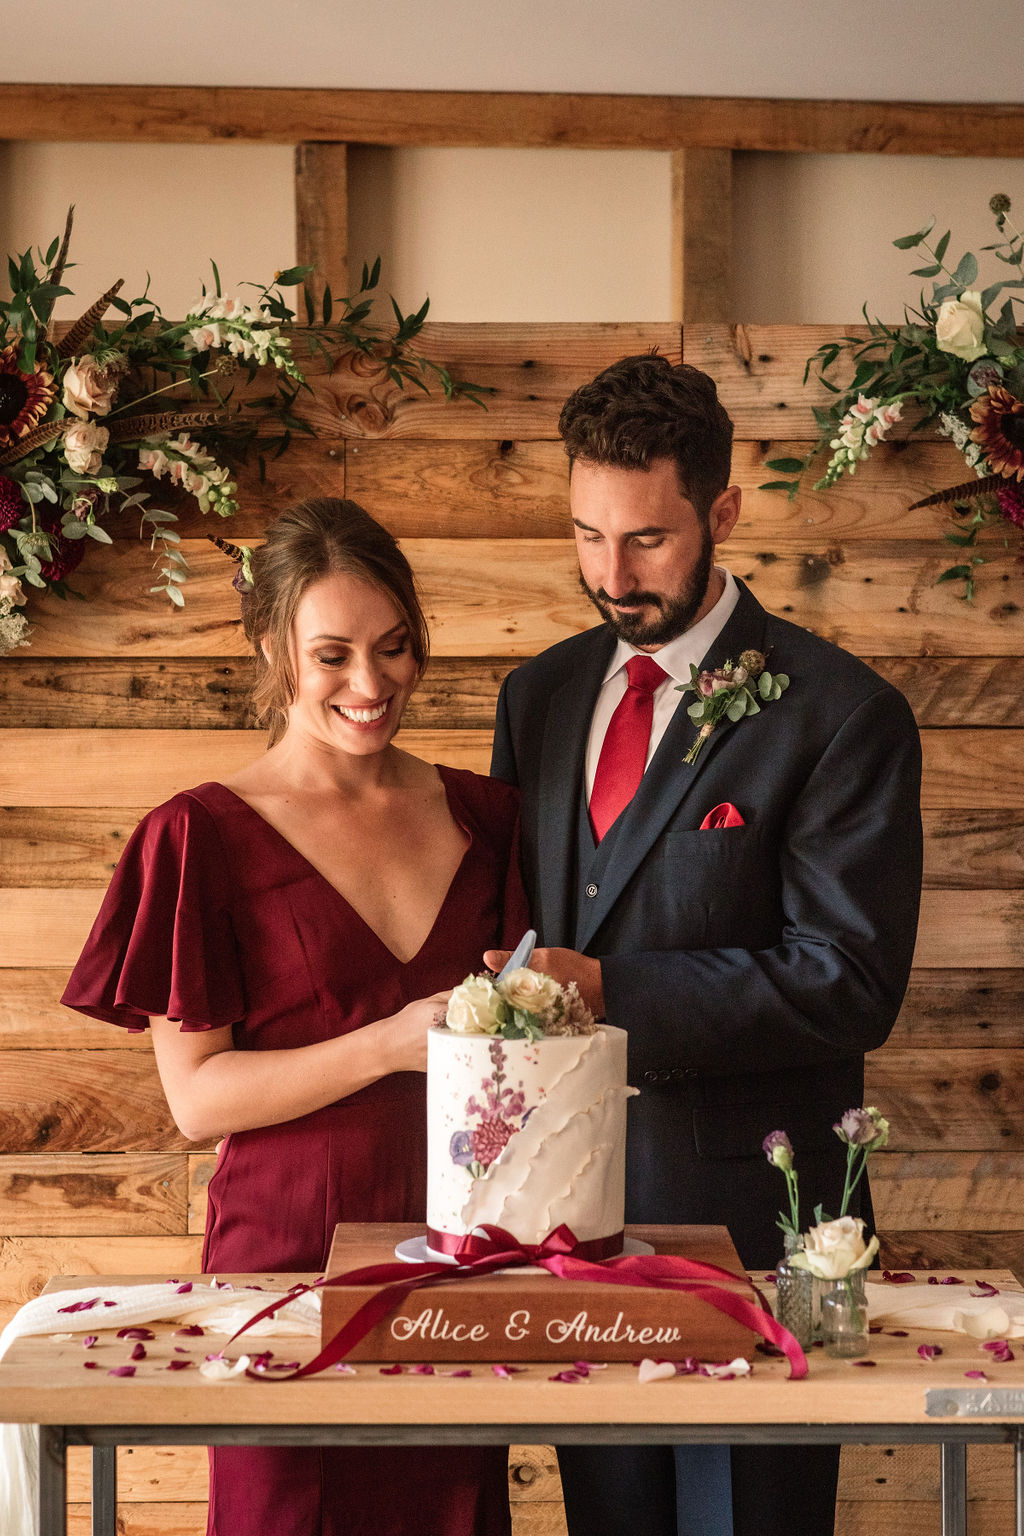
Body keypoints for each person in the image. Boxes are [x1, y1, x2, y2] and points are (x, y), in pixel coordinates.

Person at [485, 354, 923, 1536]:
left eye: (646, 542)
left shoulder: (840, 714)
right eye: (585, 537)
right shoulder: (536, 698)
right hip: (568, 1219)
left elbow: (850, 982)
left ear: (722, 513)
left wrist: (606, 987)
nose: (611, 577)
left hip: (756, 1228)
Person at [62, 496, 526, 1536]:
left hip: (454, 1259)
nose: (372, 686)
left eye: (395, 648)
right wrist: (388, 1043)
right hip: (281, 1276)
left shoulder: (489, 819)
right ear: (272, 649)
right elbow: (196, 1099)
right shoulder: (197, 838)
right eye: (333, 655)